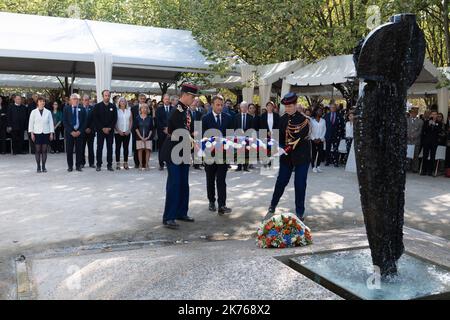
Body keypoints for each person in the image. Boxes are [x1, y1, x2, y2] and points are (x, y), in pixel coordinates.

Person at [267, 92, 311, 221]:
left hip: (301, 157)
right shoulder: (282, 119)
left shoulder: (304, 120)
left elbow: (297, 140)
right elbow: (278, 137)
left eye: (290, 106)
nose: (288, 109)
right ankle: (273, 204)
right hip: (286, 157)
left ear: (296, 105)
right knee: (281, 181)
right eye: (286, 107)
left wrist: (282, 149)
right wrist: (275, 146)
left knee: (300, 184)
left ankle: (299, 211)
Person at [160, 84, 199, 229]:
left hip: (183, 151)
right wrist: (192, 140)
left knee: (183, 183)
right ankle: (168, 217)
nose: (194, 99)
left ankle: (181, 212)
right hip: (173, 151)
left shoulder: (187, 110)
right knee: (174, 183)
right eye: (193, 96)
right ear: (185, 95)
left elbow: (191, 129)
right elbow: (179, 129)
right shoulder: (177, 110)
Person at [202, 95, 234, 215]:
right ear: (212, 105)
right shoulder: (205, 118)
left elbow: (231, 137)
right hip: (210, 154)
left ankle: (222, 204)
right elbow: (202, 137)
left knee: (221, 180)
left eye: (222, 105)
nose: (220, 107)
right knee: (210, 179)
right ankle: (211, 201)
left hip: (223, 155)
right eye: (218, 105)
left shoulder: (228, 118)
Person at [28, 97, 54, 172]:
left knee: (44, 150)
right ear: (37, 103)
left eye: (43, 101)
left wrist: (51, 133)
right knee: (38, 150)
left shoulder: (48, 112)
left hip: (46, 133)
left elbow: (51, 123)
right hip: (37, 133)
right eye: (40, 101)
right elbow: (31, 123)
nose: (42, 102)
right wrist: (32, 133)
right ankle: (38, 166)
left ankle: (44, 166)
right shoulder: (33, 112)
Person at [93, 90, 117, 171]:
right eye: (105, 95)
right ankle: (98, 165)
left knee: (110, 148)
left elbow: (115, 118)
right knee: (99, 147)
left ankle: (109, 165)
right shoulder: (97, 106)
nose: (107, 97)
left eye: (108, 95)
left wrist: (110, 127)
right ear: (102, 96)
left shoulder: (113, 106)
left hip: (110, 131)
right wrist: (102, 128)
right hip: (100, 131)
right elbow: (95, 119)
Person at [63, 94, 87, 172]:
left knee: (79, 150)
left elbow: (85, 122)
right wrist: (71, 131)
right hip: (70, 133)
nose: (75, 100)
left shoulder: (82, 109)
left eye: (77, 99)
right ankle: (70, 166)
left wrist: (80, 131)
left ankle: (78, 166)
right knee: (69, 150)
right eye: (74, 99)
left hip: (79, 133)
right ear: (70, 100)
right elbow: (65, 121)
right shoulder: (66, 109)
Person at [234, 101, 254, 171]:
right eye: (242, 107)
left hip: (247, 137)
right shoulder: (236, 117)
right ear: (240, 108)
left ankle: (245, 167)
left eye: (245, 107)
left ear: (247, 108)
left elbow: (252, 128)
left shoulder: (251, 117)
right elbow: (235, 127)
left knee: (246, 151)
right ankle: (239, 166)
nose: (244, 108)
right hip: (239, 136)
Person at [155, 94, 173, 170]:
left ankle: (170, 163)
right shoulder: (159, 109)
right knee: (161, 148)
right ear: (163, 100)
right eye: (165, 99)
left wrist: (170, 129)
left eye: (168, 99)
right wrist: (164, 128)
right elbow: (157, 121)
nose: (167, 100)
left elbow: (175, 120)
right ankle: (161, 164)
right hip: (162, 132)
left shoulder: (174, 109)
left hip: (171, 132)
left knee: (171, 148)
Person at [324, 102, 345, 167]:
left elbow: (342, 126)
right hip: (328, 135)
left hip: (336, 135)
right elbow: (324, 126)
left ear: (336, 108)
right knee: (328, 149)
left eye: (334, 107)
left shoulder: (340, 115)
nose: (333, 108)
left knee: (336, 149)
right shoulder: (326, 115)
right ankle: (327, 161)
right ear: (329, 108)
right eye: (331, 107)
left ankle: (336, 162)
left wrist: (341, 135)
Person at [134, 104, 154, 171]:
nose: (144, 109)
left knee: (147, 150)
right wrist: (141, 137)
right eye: (142, 108)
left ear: (147, 109)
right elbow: (136, 128)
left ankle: (146, 164)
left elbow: (151, 128)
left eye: (146, 108)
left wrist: (148, 137)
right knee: (140, 150)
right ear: (140, 109)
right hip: (139, 137)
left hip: (148, 137)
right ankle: (140, 164)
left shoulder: (150, 118)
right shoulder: (137, 118)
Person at [115, 97, 133, 170]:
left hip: (127, 132)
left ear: (126, 103)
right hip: (118, 132)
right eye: (121, 101)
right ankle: (118, 163)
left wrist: (129, 130)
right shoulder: (116, 111)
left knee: (126, 148)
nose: (122, 102)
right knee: (118, 148)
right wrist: (118, 130)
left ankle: (125, 163)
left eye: (124, 101)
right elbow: (115, 122)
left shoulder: (129, 110)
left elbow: (131, 121)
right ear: (119, 103)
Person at [421, 111, 440, 176]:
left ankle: (430, 171)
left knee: (432, 157)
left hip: (434, 142)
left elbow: (438, 131)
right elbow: (424, 130)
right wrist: (429, 124)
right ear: (430, 115)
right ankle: (424, 170)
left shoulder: (439, 123)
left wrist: (434, 124)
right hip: (427, 142)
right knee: (425, 156)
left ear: (437, 115)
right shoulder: (426, 122)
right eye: (432, 114)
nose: (433, 115)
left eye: (435, 114)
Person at [406, 107, 423, 173]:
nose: (413, 114)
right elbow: (405, 129)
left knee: (415, 155)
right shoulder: (407, 120)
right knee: (407, 155)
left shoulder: (420, 121)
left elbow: (420, 131)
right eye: (412, 112)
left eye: (415, 112)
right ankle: (407, 167)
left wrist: (414, 136)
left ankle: (415, 168)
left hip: (416, 141)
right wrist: (408, 135)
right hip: (408, 140)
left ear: (417, 113)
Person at [310, 106, 326, 173]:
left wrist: (321, 138)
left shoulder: (323, 120)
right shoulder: (311, 120)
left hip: (320, 140)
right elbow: (310, 130)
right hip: (313, 140)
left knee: (320, 153)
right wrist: (313, 138)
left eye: (321, 111)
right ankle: (313, 166)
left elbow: (324, 130)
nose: (320, 112)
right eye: (319, 111)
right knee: (313, 154)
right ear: (315, 112)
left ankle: (318, 166)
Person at [81, 95, 95, 168]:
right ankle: (82, 163)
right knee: (82, 148)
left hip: (91, 131)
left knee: (91, 148)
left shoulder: (92, 108)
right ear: (82, 101)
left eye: (87, 100)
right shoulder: (79, 108)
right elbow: (80, 121)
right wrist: (84, 128)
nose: (86, 101)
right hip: (82, 132)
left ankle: (91, 163)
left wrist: (90, 128)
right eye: (85, 100)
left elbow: (94, 120)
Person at [189, 97, 203, 170]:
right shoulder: (186, 113)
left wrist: (198, 132)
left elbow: (201, 124)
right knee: (189, 148)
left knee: (197, 148)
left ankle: (197, 164)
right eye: (192, 105)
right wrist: (191, 132)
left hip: (197, 133)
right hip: (189, 133)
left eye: (194, 105)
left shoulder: (199, 114)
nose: (193, 107)